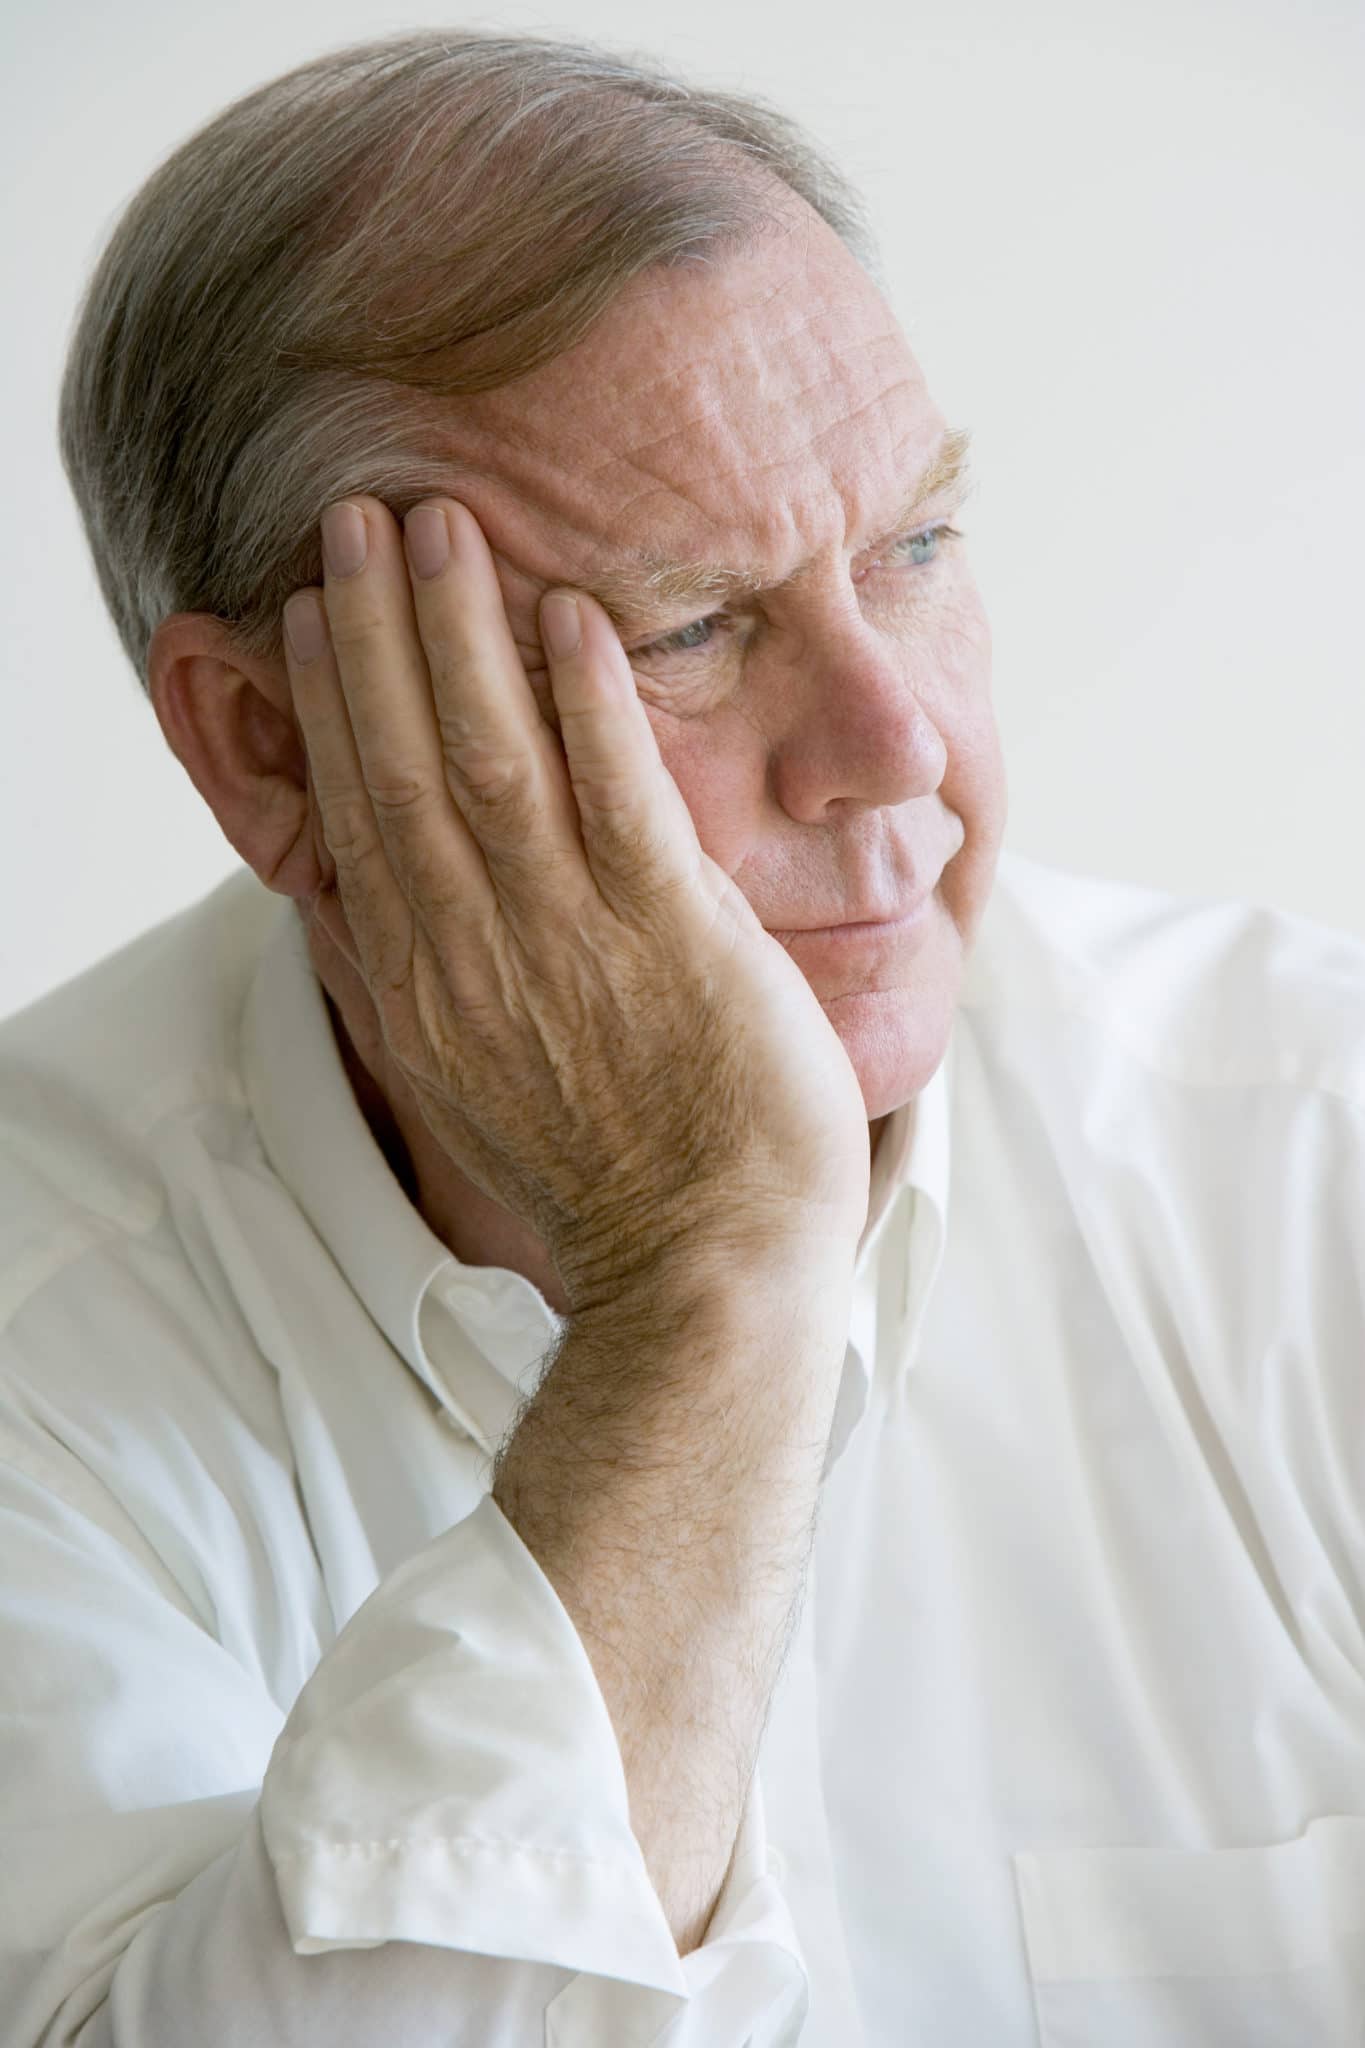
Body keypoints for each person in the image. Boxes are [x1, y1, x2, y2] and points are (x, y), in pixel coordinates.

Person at [3, 25, 1364, 2048]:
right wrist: (708, 1279)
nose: (893, 745)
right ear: (270, 747)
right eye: (689, 630)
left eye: (912, 549)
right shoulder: (38, 1348)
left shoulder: (1308, 1150)